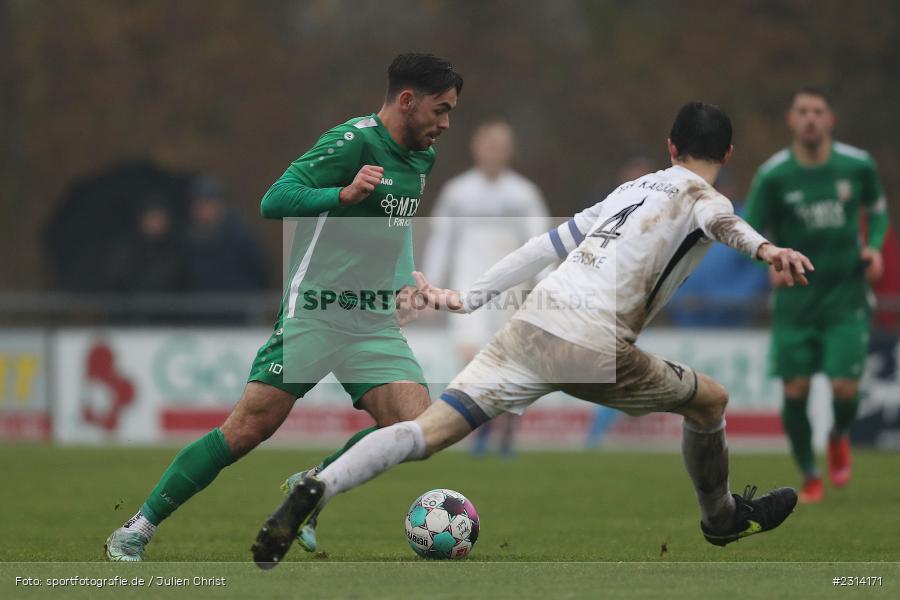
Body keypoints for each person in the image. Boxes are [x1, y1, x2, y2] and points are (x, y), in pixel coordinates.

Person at [252, 102, 811, 567]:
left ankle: (319, 486)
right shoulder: (706, 198)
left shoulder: (631, 190)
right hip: (593, 347)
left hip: (531, 325)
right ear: (729, 155)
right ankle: (721, 519)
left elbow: (546, 245)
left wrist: (468, 298)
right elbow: (726, 226)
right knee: (711, 400)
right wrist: (768, 250)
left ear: (670, 146)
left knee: (426, 433)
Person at [105, 53, 463, 561]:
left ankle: (315, 484)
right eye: (441, 109)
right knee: (247, 430)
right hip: (315, 310)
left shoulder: (421, 156)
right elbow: (274, 200)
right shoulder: (352, 142)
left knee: (414, 427)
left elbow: (395, 222)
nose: (446, 123)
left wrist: (406, 280)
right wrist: (340, 194)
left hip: (370, 321)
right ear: (407, 101)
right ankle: (137, 527)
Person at [743, 88, 888, 503]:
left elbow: (877, 211)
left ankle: (839, 435)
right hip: (795, 301)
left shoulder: (857, 166)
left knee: (844, 389)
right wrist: (767, 262)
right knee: (795, 392)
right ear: (791, 119)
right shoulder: (773, 175)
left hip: (846, 297)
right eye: (802, 111)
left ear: (830, 120)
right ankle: (809, 472)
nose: (810, 118)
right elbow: (748, 231)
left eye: (817, 111)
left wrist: (873, 246)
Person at [422, 120, 550, 457]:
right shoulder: (457, 192)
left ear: (510, 151)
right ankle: (478, 430)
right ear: (475, 148)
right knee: (471, 359)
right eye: (487, 144)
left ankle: (506, 434)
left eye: (500, 145)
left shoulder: (524, 194)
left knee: (509, 360)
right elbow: (441, 240)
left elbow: (540, 242)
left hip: (509, 285)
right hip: (467, 285)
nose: (493, 151)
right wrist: (430, 287)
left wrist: (543, 284)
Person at [669, 170, 769, 326]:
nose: (714, 192)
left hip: (734, 322)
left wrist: (728, 300)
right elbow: (669, 267)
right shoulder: (685, 222)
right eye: (710, 187)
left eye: (719, 187)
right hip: (688, 323)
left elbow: (758, 270)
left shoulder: (747, 223)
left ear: (730, 189)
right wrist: (679, 297)